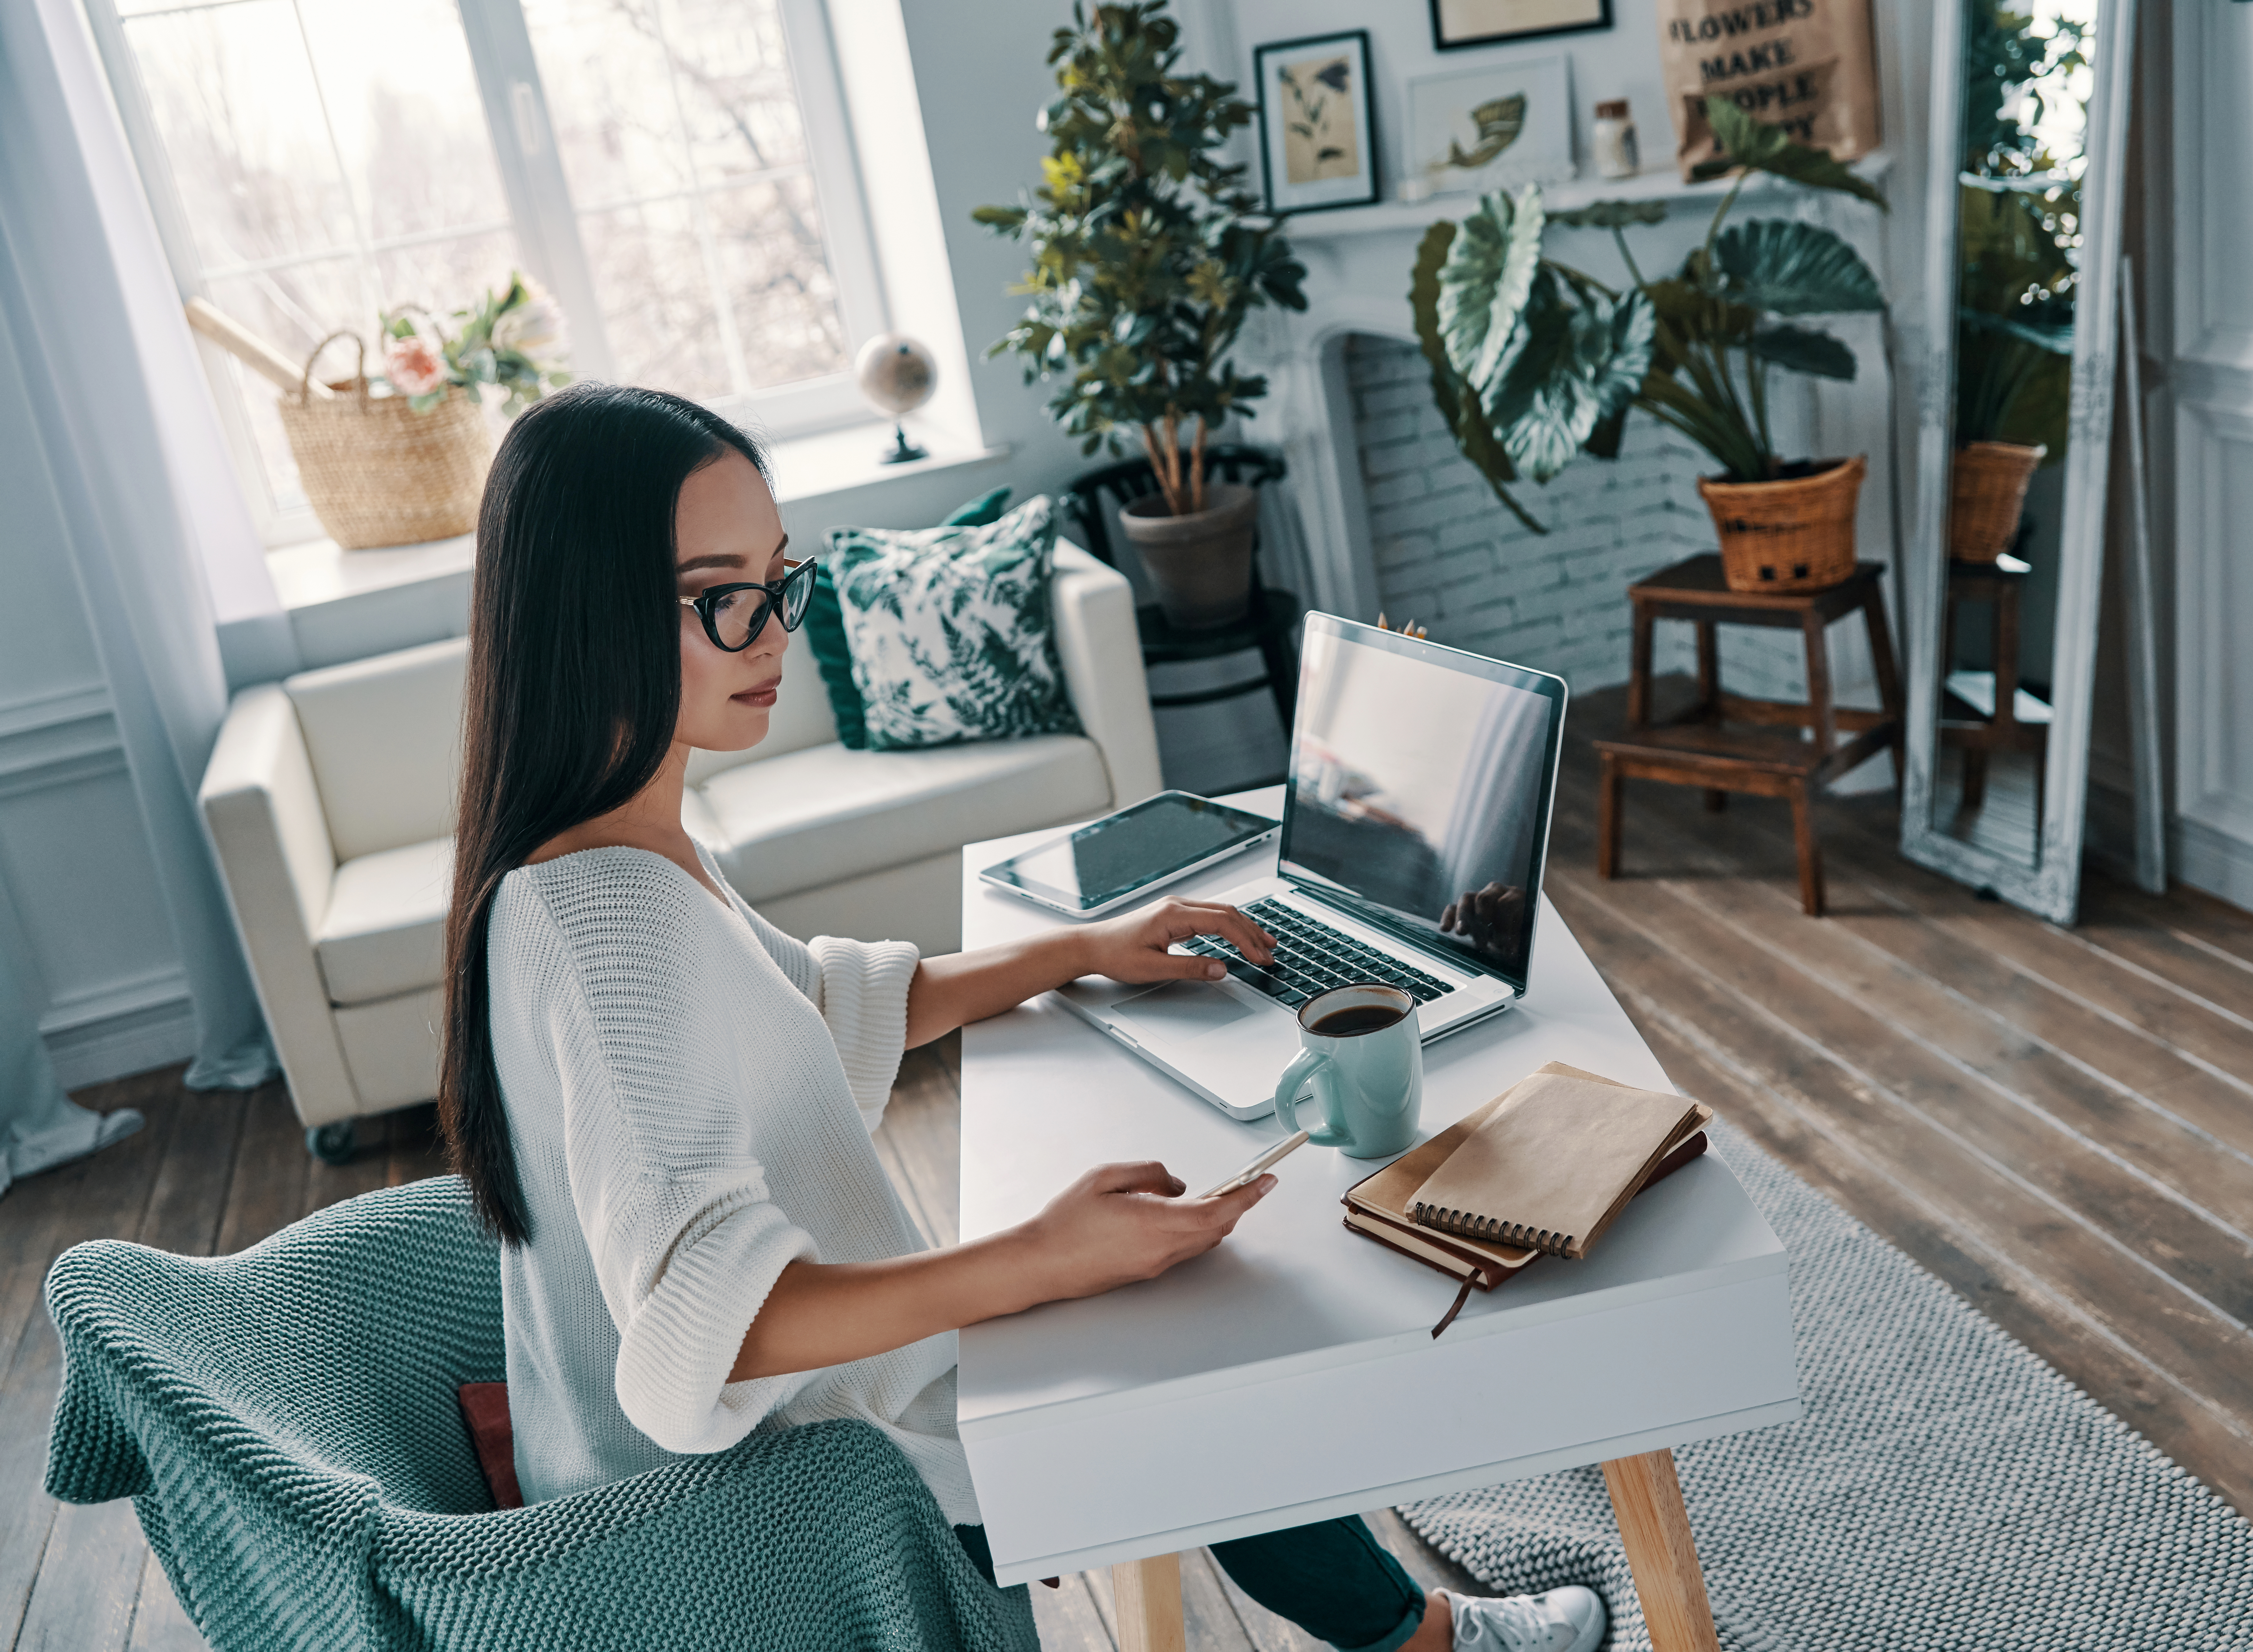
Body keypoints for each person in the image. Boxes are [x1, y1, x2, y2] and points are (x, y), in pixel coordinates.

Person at [436, 383, 1605, 1652]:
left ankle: (1406, 1635)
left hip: (788, 1452)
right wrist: (1040, 1261)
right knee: (1184, 1364)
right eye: (726, 599)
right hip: (763, 1525)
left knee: (1146, 1309)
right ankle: (1428, 1643)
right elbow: (705, 1331)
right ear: (586, 612)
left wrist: (1081, 950)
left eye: (783, 583)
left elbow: (812, 1006)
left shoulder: (618, 855)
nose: (773, 635)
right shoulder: (603, 923)